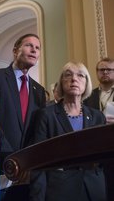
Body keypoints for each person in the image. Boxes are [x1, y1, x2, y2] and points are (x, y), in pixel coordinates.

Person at [28, 62, 107, 201]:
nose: (74, 79)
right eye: (68, 75)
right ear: (61, 82)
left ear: (86, 83)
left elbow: (103, 159)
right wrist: (37, 197)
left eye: (80, 75)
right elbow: (38, 161)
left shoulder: (97, 116)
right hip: (60, 190)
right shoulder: (46, 115)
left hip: (94, 189)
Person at [0, 33, 46, 200]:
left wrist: (27, 160)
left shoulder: (39, 91)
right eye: (29, 45)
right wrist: (12, 157)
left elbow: (39, 128)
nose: (34, 50)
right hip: (0, 162)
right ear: (15, 50)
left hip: (27, 169)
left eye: (37, 48)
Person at [83, 57, 114, 200]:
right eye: (102, 70)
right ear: (96, 73)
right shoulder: (88, 96)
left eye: (109, 69)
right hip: (96, 150)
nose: (105, 72)